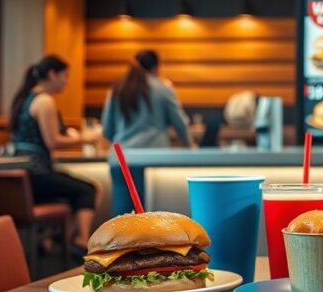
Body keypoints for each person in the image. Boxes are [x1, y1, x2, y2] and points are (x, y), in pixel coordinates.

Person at [10, 55, 101, 254]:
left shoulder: (25, 98)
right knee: (89, 190)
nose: (67, 82)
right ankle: (80, 241)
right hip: (37, 174)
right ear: (52, 74)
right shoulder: (45, 101)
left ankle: (54, 241)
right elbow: (53, 141)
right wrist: (86, 138)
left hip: (22, 178)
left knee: (72, 193)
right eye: (65, 76)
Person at [102, 50, 194, 216]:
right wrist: (189, 145)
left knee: (122, 218)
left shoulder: (117, 89)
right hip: (154, 158)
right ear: (156, 67)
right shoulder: (162, 88)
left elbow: (107, 130)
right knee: (153, 218)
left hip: (121, 159)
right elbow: (180, 123)